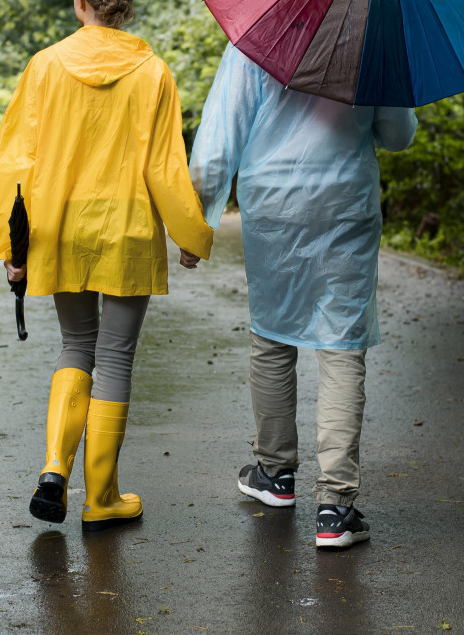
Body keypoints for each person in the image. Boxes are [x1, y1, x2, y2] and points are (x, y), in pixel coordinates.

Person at [0, 0, 214, 532]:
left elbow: (17, 165)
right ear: (128, 4)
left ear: (79, 0)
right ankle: (102, 498)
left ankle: (52, 471)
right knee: (114, 357)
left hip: (61, 226)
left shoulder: (43, 67)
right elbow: (166, 167)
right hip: (128, 228)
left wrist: (16, 248)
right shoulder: (154, 72)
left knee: (75, 347)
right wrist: (190, 234)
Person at [188, 42, 417, 549]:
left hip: (273, 208)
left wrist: (195, 223)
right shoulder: (371, 38)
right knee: (342, 346)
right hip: (345, 205)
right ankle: (335, 507)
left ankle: (275, 473)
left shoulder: (254, 38)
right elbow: (398, 136)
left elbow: (216, 149)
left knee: (271, 338)